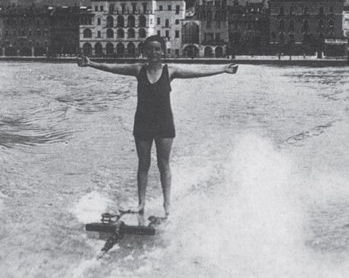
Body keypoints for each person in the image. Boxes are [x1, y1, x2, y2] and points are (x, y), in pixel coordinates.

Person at [78, 35, 238, 217]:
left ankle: (167, 205)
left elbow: (197, 71)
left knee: (164, 165)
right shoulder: (138, 69)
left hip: (164, 124)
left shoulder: (170, 71)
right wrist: (90, 63)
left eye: (157, 49)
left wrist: (223, 69)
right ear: (144, 52)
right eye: (149, 49)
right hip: (143, 123)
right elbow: (112, 68)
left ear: (163, 51)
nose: (153, 53)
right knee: (143, 164)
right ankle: (141, 204)